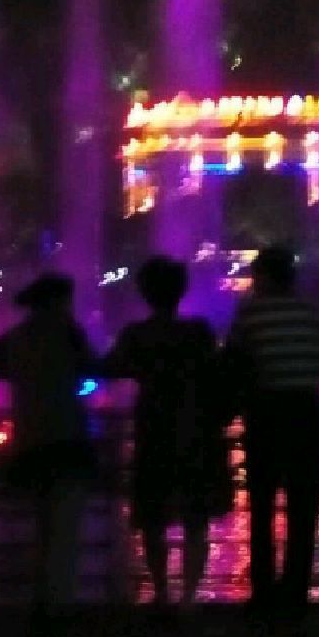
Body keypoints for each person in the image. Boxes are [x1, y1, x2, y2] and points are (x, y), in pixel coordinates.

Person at [103, 257, 232, 608]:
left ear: (145, 293)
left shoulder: (135, 335)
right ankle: (189, 597)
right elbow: (217, 370)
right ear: (181, 291)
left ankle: (161, 591)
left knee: (153, 518)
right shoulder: (199, 332)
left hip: (154, 429)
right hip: (196, 429)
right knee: (195, 518)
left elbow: (109, 365)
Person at [224, 247, 319, 612]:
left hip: (266, 412)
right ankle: (296, 591)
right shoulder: (313, 312)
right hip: (307, 412)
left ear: (266, 276)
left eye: (256, 274)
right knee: (303, 506)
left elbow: (234, 360)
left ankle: (263, 591)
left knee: (261, 505)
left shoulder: (250, 314)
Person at [0, 273, 97, 613]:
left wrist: (17, 375)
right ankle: (61, 602)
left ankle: (42, 599)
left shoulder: (16, 337)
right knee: (65, 527)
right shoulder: (69, 334)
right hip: (68, 440)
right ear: (58, 302)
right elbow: (93, 364)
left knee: (41, 525)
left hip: (31, 441)